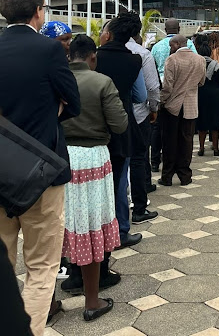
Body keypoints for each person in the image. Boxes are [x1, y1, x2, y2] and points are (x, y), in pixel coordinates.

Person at [0, 0, 80, 336]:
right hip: (42, 171)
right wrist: (52, 110)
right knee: (42, 267)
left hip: (0, 172)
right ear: (38, 11)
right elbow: (73, 101)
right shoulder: (48, 51)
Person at [61, 35, 128, 322]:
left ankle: (53, 297)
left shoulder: (57, 80)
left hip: (61, 156)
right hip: (93, 156)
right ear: (92, 57)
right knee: (93, 222)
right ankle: (92, 300)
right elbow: (120, 123)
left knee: (62, 224)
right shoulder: (102, 82)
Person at [96, 13, 146, 250]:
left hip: (93, 127)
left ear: (109, 33)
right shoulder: (134, 60)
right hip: (122, 125)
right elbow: (141, 96)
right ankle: (121, 231)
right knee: (118, 182)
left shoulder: (94, 57)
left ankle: (96, 232)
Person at [159, 35, 206, 186]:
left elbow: (167, 86)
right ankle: (185, 175)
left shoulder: (172, 60)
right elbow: (202, 81)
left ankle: (167, 176)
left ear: (177, 44)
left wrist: (162, 100)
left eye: (171, 45)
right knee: (187, 140)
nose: (170, 48)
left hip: (173, 106)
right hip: (191, 105)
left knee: (170, 141)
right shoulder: (200, 59)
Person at [150, 19, 195, 171]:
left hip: (161, 85)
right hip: (182, 88)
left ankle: (155, 161)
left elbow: (153, 66)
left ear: (165, 28)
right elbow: (194, 63)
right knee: (182, 130)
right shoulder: (188, 44)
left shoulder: (156, 47)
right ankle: (181, 164)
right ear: (179, 28)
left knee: (158, 129)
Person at [126, 26, 160, 225]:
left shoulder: (101, 52)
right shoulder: (142, 54)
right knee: (139, 158)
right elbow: (151, 87)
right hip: (139, 113)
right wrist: (154, 107)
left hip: (111, 115)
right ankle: (139, 205)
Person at [193, 34, 219, 156]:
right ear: (209, 53)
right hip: (216, 97)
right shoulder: (216, 66)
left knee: (202, 123)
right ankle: (215, 148)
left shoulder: (196, 65)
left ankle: (201, 148)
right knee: (215, 123)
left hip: (200, 96)